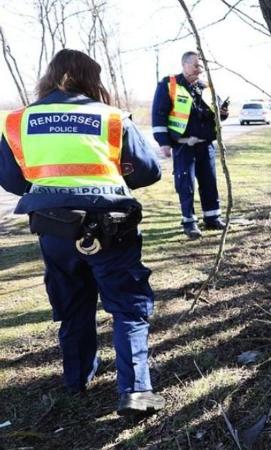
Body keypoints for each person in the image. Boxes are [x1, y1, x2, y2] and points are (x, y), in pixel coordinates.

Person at [0, 49, 164, 415]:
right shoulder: (112, 118)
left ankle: (76, 381)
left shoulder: (18, 121)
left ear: (51, 76)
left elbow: (10, 180)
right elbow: (149, 171)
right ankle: (136, 391)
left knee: (73, 305)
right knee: (128, 307)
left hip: (55, 229)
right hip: (112, 229)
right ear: (92, 79)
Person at [151, 51, 228, 239]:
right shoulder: (168, 85)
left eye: (201, 66)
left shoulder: (206, 87)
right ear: (184, 65)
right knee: (185, 184)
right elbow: (158, 114)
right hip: (183, 145)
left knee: (209, 181)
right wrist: (163, 143)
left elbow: (216, 114)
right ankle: (189, 222)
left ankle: (212, 218)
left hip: (205, 145)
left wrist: (223, 112)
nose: (199, 70)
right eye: (195, 65)